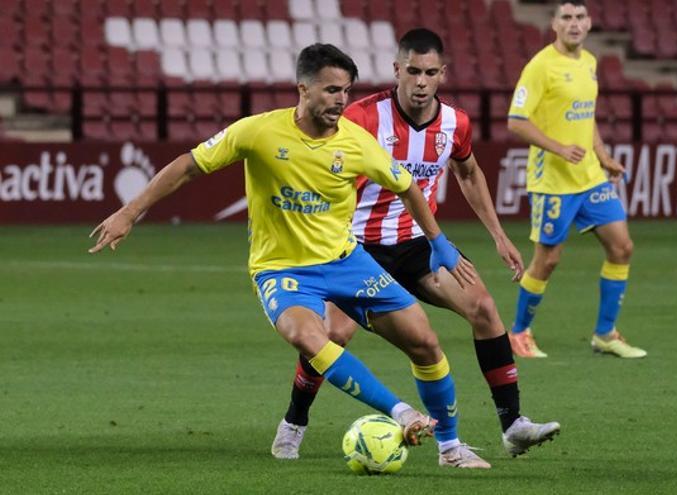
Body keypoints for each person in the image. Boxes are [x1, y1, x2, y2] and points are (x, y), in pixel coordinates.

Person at [88, 43, 491, 468]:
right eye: (331, 90)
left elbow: (407, 186)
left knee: (425, 342)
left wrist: (438, 242)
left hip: (346, 261)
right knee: (309, 336)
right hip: (282, 269)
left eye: (347, 91)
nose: (341, 100)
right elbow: (189, 165)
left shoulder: (357, 143)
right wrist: (129, 212)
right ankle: (401, 412)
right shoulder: (258, 132)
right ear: (303, 88)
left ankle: (450, 449)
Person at [271, 28, 561, 465]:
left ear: (443, 74)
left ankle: (513, 425)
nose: (421, 81)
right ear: (396, 71)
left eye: (429, 72)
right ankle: (294, 422)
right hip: (359, 246)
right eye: (412, 71)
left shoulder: (454, 123)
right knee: (333, 335)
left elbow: (468, 174)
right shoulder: (364, 117)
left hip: (419, 243)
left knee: (483, 308)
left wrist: (499, 236)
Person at [505, 0, 646, 359]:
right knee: (548, 259)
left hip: (590, 179)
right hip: (552, 181)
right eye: (566, 17)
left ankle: (605, 333)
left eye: (580, 17)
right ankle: (518, 333)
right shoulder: (540, 67)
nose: (574, 24)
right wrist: (558, 148)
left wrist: (603, 156)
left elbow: (586, 116)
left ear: (589, 23)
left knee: (622, 247)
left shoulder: (589, 63)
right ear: (554, 23)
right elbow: (516, 120)